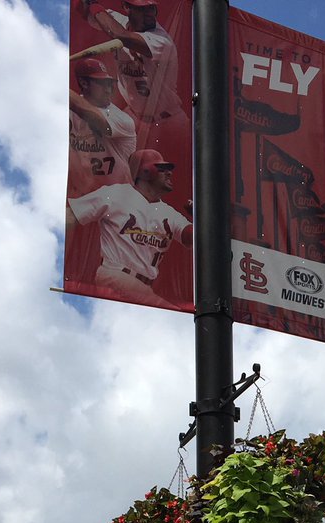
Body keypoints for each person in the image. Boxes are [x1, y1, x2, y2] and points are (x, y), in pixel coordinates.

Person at [66, 148, 192, 305]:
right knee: (169, 314)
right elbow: (71, 215)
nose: (169, 173)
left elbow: (191, 238)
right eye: (162, 168)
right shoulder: (116, 194)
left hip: (142, 286)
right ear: (146, 172)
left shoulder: (169, 213)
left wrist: (202, 217)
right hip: (116, 275)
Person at [91, 0, 189, 147]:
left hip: (168, 121)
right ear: (126, 7)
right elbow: (88, 13)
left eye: (151, 8)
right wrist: (88, 5)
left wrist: (94, 6)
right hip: (134, 117)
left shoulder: (161, 40)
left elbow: (120, 36)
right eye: (142, 9)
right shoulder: (118, 22)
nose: (149, 13)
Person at [68, 57, 136, 198]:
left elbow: (95, 118)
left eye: (109, 84)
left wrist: (59, 87)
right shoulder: (69, 111)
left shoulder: (121, 119)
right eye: (102, 84)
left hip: (118, 200)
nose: (108, 90)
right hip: (83, 198)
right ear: (83, 83)